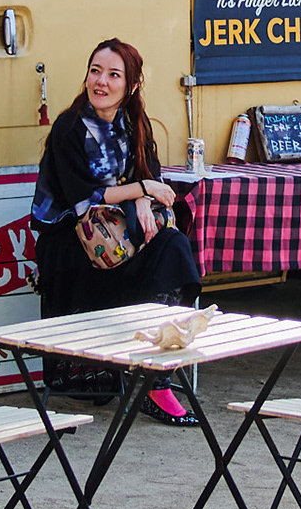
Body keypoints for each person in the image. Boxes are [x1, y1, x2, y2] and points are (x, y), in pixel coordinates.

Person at [31, 39, 203, 426]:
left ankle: (156, 377)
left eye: (113, 74)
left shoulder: (136, 124)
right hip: (73, 243)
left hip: (123, 239)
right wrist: (141, 191)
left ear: (132, 85)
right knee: (161, 248)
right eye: (95, 71)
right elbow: (83, 197)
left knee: (173, 246)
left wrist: (143, 197)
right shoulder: (69, 127)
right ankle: (146, 374)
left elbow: (153, 177)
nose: (101, 82)